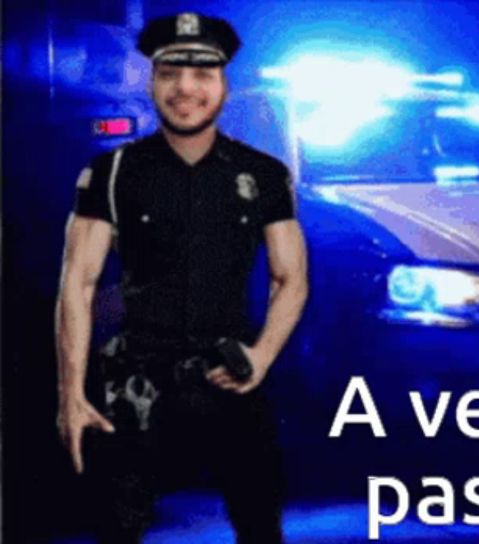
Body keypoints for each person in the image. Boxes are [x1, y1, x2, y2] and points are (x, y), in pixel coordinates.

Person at [54, 12, 308, 543]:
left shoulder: (261, 175)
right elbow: (76, 284)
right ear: (152, 80)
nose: (185, 88)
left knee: (261, 526)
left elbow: (292, 279)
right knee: (117, 530)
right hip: (136, 386)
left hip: (231, 379)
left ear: (223, 85)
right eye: (170, 72)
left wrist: (261, 357)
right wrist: (71, 394)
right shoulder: (113, 173)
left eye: (202, 73)